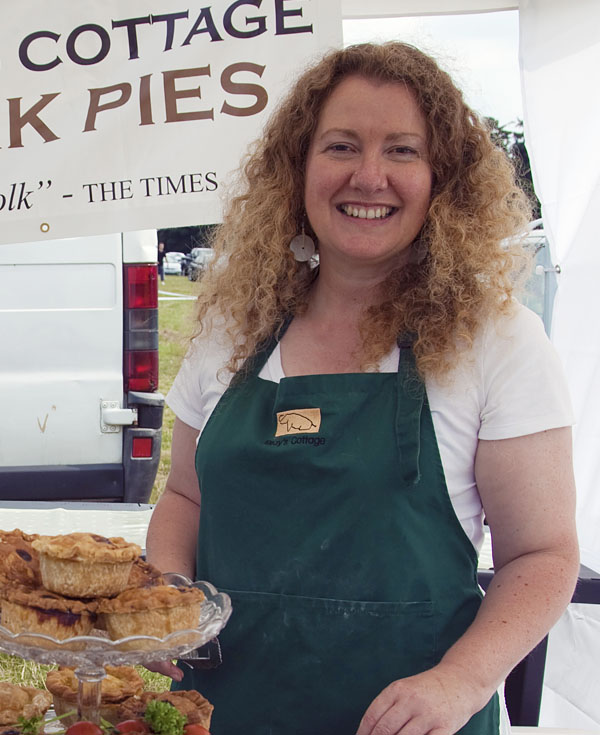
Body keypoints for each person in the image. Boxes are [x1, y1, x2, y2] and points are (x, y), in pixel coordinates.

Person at [146, 42, 579, 735]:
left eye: (402, 151)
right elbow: (185, 496)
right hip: (224, 712)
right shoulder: (233, 329)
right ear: (300, 166)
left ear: (444, 178)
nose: (369, 175)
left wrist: (461, 680)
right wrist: (164, 598)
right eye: (342, 145)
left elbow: (544, 553)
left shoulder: (499, 340)